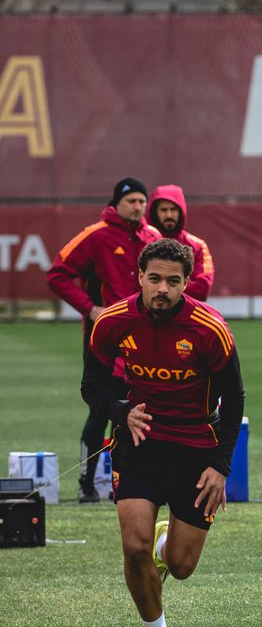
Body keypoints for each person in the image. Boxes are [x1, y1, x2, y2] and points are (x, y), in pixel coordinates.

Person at [82, 238, 245, 627]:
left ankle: (164, 544)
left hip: (197, 452)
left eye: (173, 282)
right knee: (132, 549)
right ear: (139, 277)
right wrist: (121, 412)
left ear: (186, 283)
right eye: (154, 279)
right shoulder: (112, 322)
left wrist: (221, 467)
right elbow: (92, 387)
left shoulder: (210, 329)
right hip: (141, 445)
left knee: (181, 566)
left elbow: (235, 398)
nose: (162, 289)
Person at [47, 176, 163, 503]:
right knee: (101, 409)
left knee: (136, 408)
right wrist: (89, 308)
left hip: (144, 339)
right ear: (116, 204)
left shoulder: (152, 236)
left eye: (142, 201)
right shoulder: (95, 235)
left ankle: (124, 482)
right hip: (105, 336)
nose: (138, 207)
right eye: (132, 201)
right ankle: (86, 484)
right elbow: (57, 274)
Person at [147, 184, 215, 301]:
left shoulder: (197, 246)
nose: (169, 215)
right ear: (154, 212)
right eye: (163, 210)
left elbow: (202, 290)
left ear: (181, 211)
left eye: (173, 209)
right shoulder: (143, 241)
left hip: (185, 314)